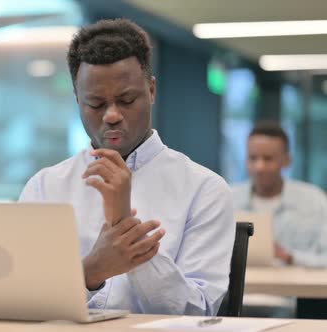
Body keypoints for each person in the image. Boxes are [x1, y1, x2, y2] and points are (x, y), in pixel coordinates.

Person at [18, 18, 234, 315]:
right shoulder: (44, 186)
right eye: (95, 104)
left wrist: (122, 221)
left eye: (127, 99)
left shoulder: (205, 189)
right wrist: (91, 271)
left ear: (152, 91)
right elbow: (23, 297)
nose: (111, 115)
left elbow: (197, 313)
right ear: (77, 100)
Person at [232, 122, 327, 267]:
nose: (259, 167)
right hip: (243, 288)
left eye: (268, 159)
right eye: (253, 158)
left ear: (287, 160)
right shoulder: (229, 198)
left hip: (297, 288)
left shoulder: (315, 201)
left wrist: (291, 257)